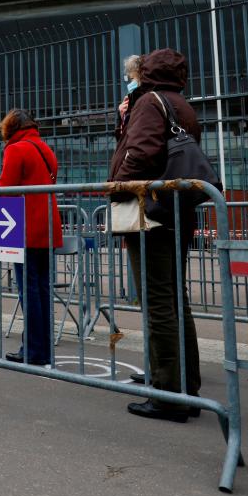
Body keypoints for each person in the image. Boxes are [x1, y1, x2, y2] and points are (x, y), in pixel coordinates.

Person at [107, 48, 202, 422]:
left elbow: (141, 153)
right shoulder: (180, 103)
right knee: (175, 297)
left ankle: (168, 393)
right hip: (175, 208)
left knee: (158, 298)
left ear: (147, 73)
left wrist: (117, 187)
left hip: (148, 208)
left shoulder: (150, 102)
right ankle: (185, 384)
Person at [0, 109, 61, 366]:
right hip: (48, 225)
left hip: (26, 226)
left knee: (28, 290)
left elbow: (8, 190)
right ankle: (42, 349)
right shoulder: (45, 148)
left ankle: (32, 350)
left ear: (10, 127)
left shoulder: (16, 149)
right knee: (42, 288)